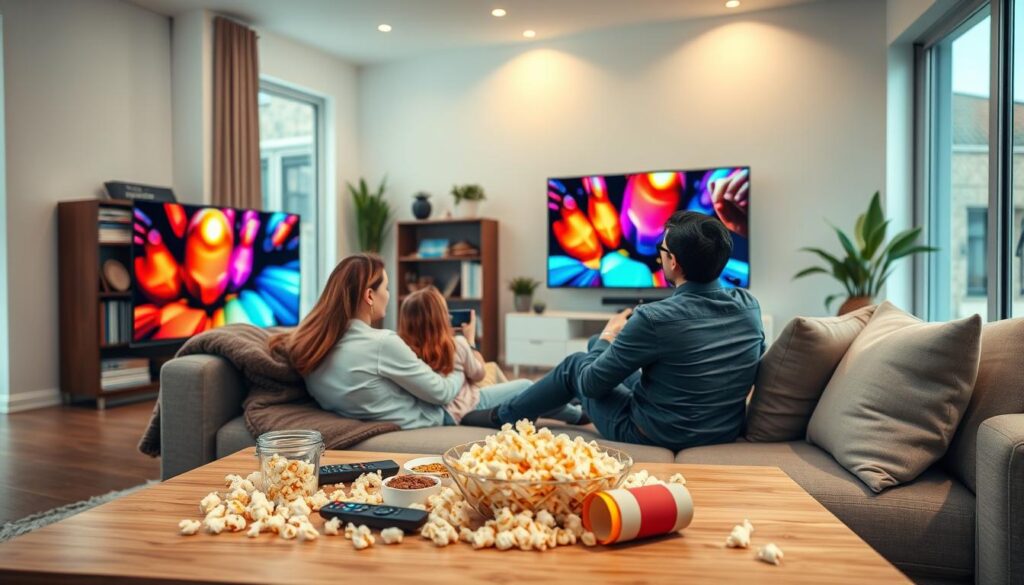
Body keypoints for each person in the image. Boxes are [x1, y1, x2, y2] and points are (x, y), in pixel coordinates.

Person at [480, 211, 765, 451]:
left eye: (661, 251)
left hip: (654, 432)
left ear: (674, 262)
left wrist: (608, 334)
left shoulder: (653, 318)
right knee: (595, 345)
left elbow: (591, 384)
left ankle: (503, 416)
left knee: (577, 365)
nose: (659, 257)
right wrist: (602, 342)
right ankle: (571, 407)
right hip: (720, 429)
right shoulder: (749, 306)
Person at [269, 254, 464, 429]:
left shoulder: (311, 346)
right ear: (370, 295)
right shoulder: (382, 343)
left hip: (390, 412)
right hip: (433, 417)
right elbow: (442, 393)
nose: (388, 295)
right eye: (386, 288)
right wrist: (461, 359)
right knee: (488, 384)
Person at [397, 287, 584, 426]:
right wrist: (470, 341)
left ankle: (568, 401)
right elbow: (479, 374)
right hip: (470, 405)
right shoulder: (456, 345)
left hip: (445, 411)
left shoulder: (404, 351)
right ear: (441, 318)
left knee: (523, 390)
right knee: (528, 387)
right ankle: (576, 415)